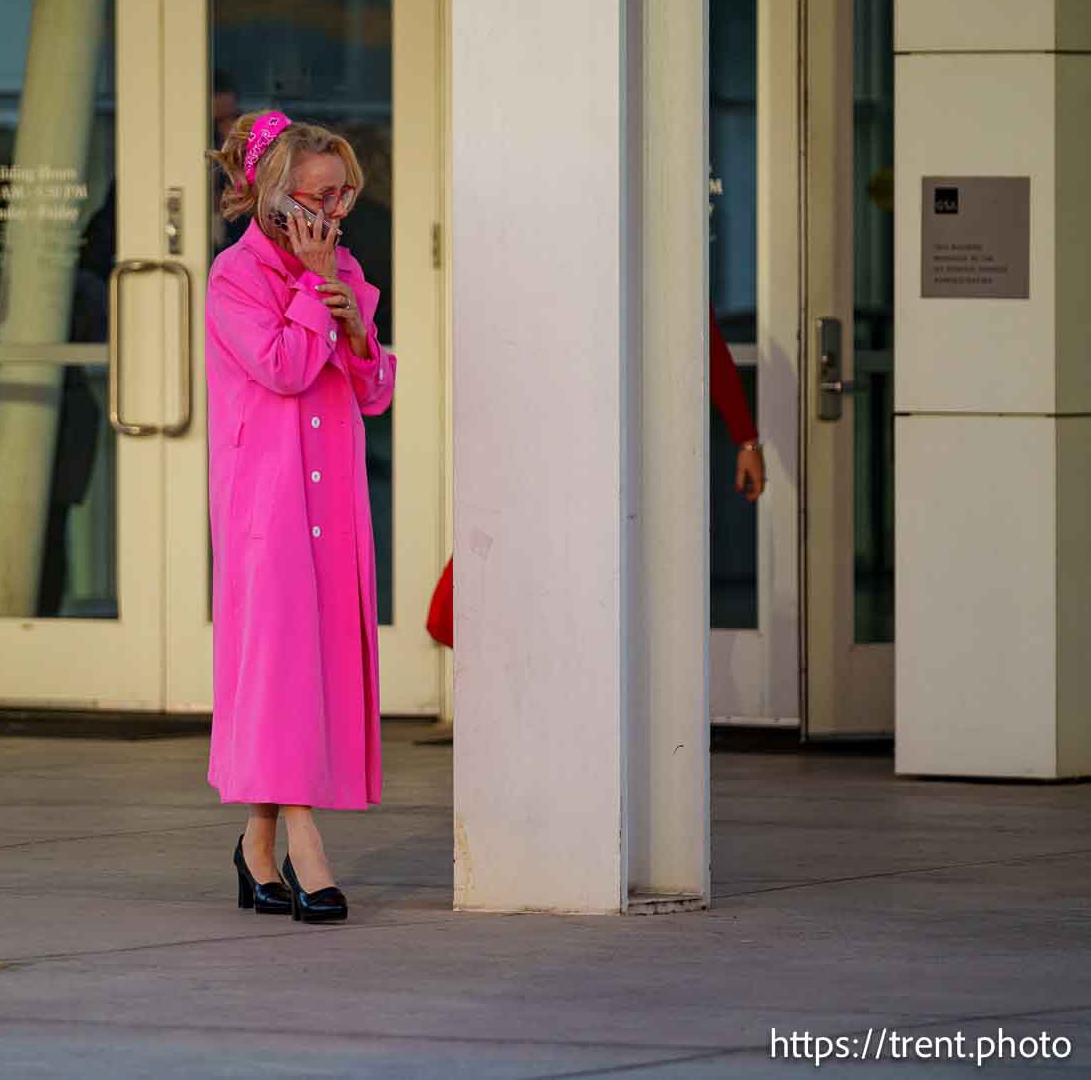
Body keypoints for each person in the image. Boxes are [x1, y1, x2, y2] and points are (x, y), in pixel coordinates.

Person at [205, 109, 395, 924]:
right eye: (320, 194)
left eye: (343, 194)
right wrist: (320, 303)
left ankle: (255, 847)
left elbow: (375, 391)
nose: (333, 212)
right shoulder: (232, 278)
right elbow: (281, 368)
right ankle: (306, 849)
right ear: (275, 196)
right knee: (281, 668)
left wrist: (356, 333)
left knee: (310, 670)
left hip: (335, 499)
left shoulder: (343, 266)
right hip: (269, 504)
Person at [424, 306, 765, 645]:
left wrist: (746, 439)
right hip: (551, 441)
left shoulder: (668, 273)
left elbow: (706, 346)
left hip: (626, 456)